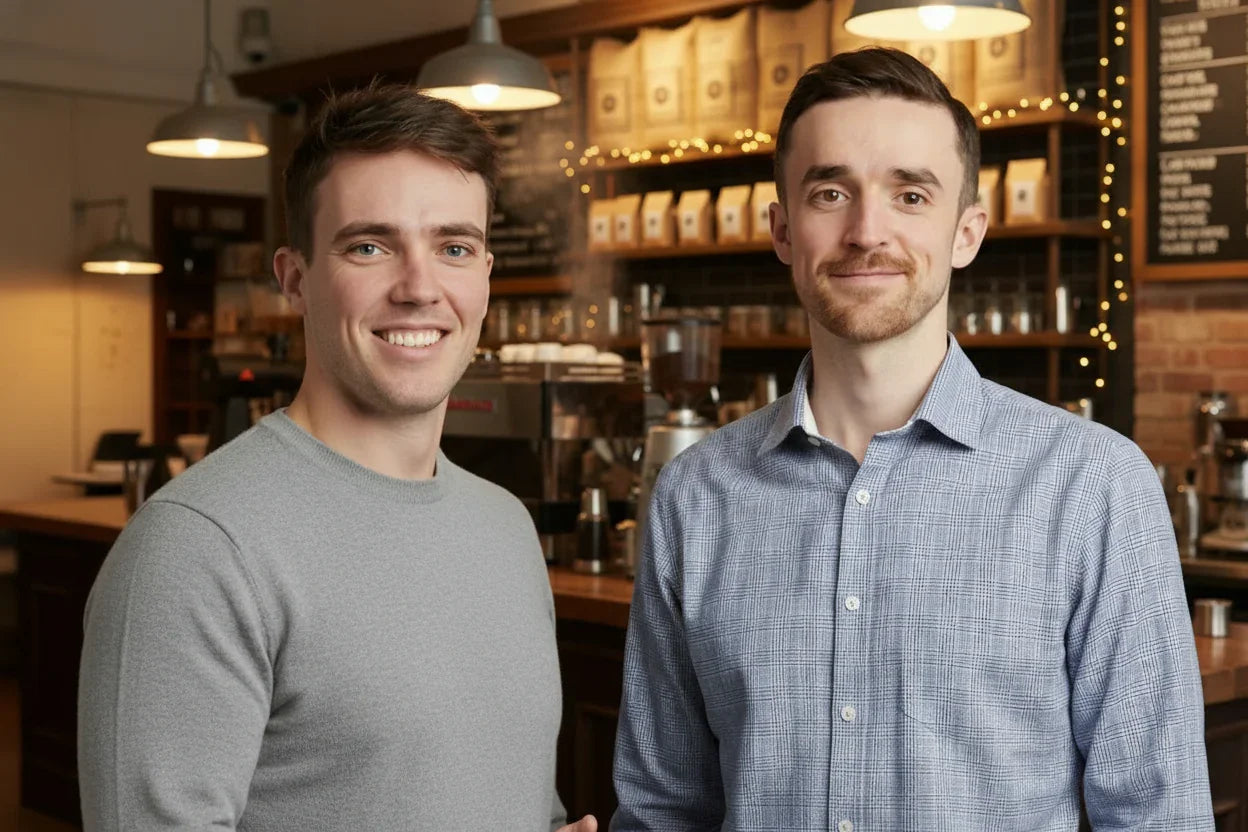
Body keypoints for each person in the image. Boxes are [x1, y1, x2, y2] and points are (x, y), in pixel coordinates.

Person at [611, 48, 1213, 831]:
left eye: (911, 194)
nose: (868, 231)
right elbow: (661, 811)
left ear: (966, 232)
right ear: (784, 230)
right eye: (832, 192)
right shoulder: (695, 495)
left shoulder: (1092, 484)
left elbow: (1158, 814)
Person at [78, 84, 596, 832]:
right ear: (294, 278)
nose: (420, 288)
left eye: (453, 247)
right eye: (370, 246)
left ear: (485, 275)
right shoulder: (196, 548)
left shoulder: (506, 528)